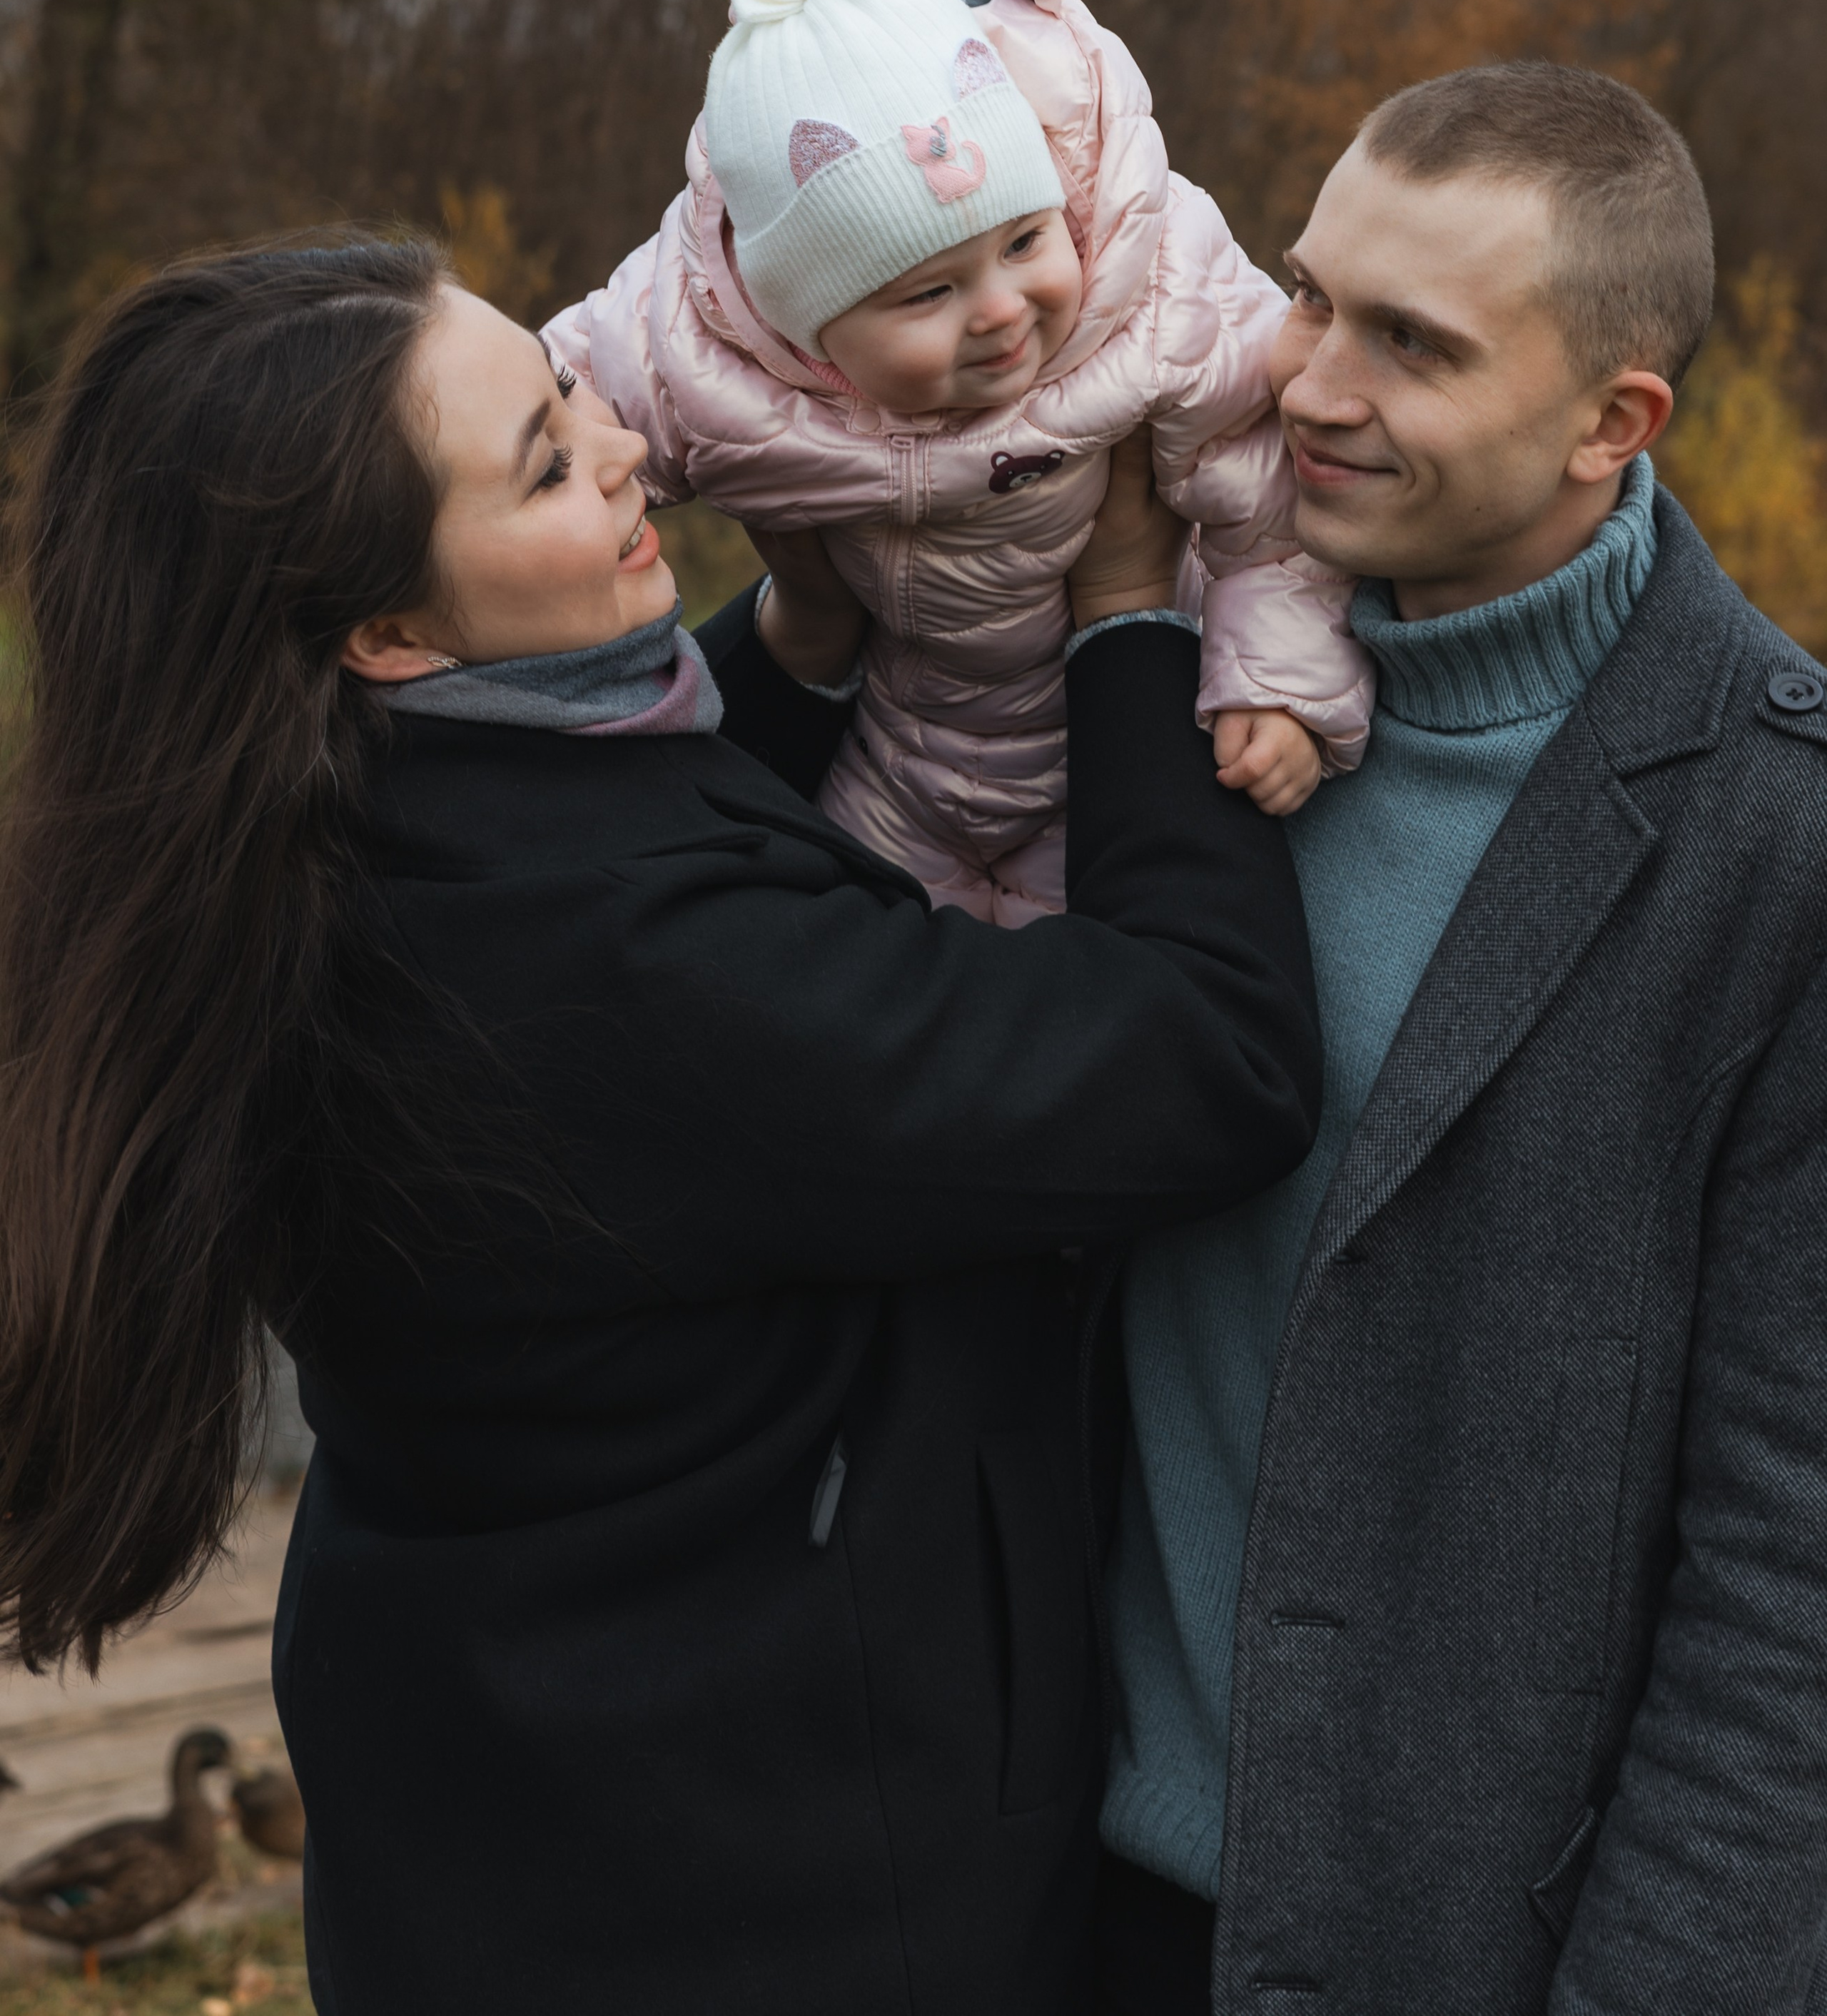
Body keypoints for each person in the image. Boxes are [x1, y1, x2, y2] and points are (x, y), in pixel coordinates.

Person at [0, 239, 1323, 2016]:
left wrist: (802, 639)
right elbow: (1203, 1061)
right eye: (543, 466)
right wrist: (1137, 609)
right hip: (781, 1896)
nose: (618, 445)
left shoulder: (283, 846)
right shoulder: (614, 973)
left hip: (496, 1816)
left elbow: (598, 863)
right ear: (383, 633)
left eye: (560, 389)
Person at [1097, 61, 1827, 2015]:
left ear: (1617, 422)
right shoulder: (1140, 657)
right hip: (1030, 1888)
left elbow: (1794, 1580)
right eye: (1313, 295)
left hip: (1450, 1955)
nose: (1315, 383)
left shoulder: (1783, 844)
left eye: (1412, 345)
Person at [548, 0, 1372, 921]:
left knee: (1108, 997)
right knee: (883, 994)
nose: (998, 311)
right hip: (895, 752)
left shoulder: (1153, 298)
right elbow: (540, 418)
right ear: (806, 322)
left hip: (1125, 723)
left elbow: (1271, 494)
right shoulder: (708, 355)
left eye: (1025, 242)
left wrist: (1279, 686)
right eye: (927, 295)